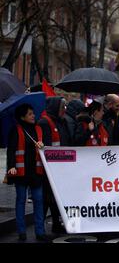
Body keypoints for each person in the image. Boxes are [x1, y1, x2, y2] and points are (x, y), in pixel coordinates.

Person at [6, 104, 50, 242]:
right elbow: (11, 150)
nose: (33, 116)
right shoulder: (16, 129)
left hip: (36, 172)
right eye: (30, 114)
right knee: (21, 201)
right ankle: (21, 232)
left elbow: (45, 148)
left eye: (33, 113)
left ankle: (40, 232)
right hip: (21, 173)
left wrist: (43, 146)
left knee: (38, 201)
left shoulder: (38, 129)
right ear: (22, 116)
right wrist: (11, 166)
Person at [38, 97, 70, 234]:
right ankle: (39, 228)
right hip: (48, 169)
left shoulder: (63, 122)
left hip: (60, 168)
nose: (64, 110)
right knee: (46, 198)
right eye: (62, 107)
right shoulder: (44, 123)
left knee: (56, 198)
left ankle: (56, 224)